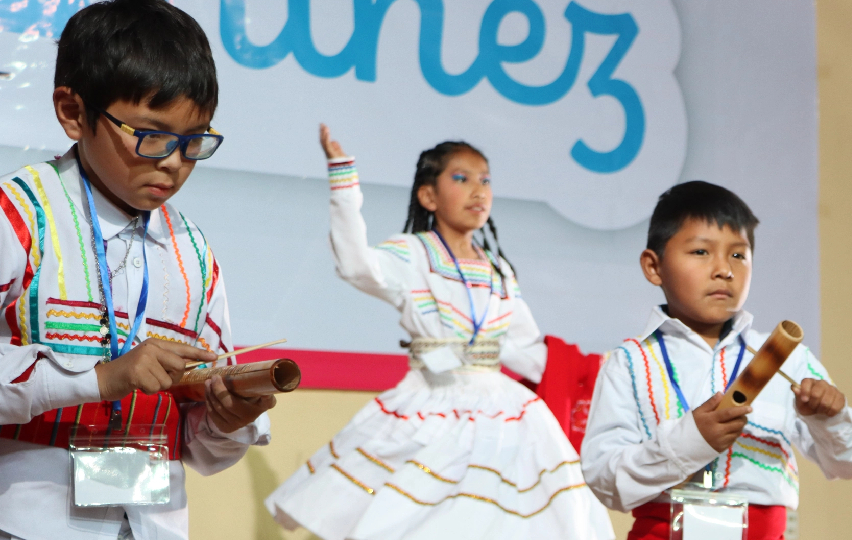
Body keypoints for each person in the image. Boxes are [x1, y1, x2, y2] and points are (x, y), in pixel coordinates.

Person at [0, 1, 274, 538]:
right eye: (151, 135)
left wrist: (229, 418)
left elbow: (202, 450)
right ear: (73, 112)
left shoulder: (193, 255)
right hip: (25, 521)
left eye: (194, 142)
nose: (173, 162)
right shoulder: (19, 217)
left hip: (153, 525)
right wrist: (100, 379)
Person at [265, 125, 614, 540]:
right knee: (419, 515)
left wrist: (597, 369)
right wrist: (344, 184)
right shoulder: (413, 253)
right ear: (428, 196)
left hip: (502, 412)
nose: (478, 190)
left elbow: (522, 348)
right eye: (461, 179)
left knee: (500, 519)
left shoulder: (498, 270)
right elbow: (357, 265)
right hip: (432, 399)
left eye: (485, 180)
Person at [579, 181, 852, 540]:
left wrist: (832, 418)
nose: (724, 269)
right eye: (701, 252)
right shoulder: (629, 362)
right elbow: (604, 481)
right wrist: (689, 442)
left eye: (738, 254)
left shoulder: (785, 356)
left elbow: (850, 463)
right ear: (653, 266)